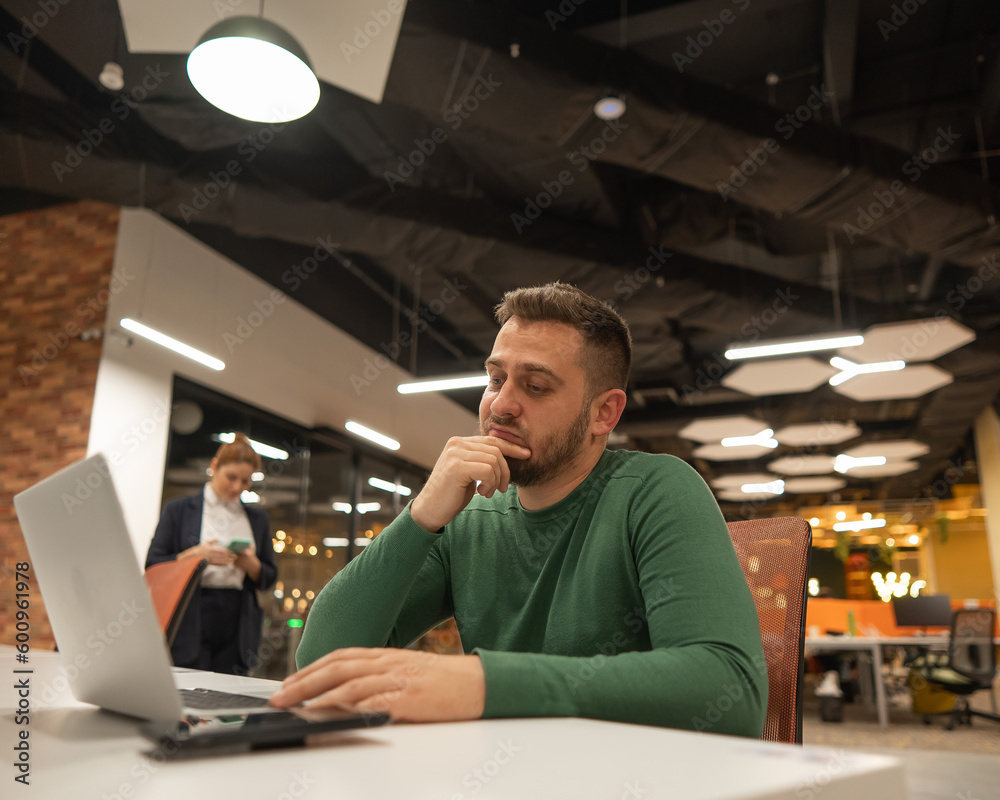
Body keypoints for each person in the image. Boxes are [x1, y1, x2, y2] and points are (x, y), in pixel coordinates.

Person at [271, 282, 767, 736]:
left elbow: (731, 691)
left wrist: (485, 684)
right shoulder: (470, 515)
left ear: (604, 413)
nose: (501, 405)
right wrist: (420, 516)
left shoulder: (656, 490)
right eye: (495, 379)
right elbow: (321, 661)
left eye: (535, 386)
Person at [146, 432, 277, 675]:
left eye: (246, 481)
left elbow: (269, 577)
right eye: (231, 477)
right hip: (193, 615)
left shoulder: (257, 519)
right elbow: (153, 565)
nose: (238, 487)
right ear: (214, 467)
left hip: (238, 621)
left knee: (230, 701)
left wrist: (251, 565)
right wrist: (192, 556)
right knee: (188, 696)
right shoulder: (179, 510)